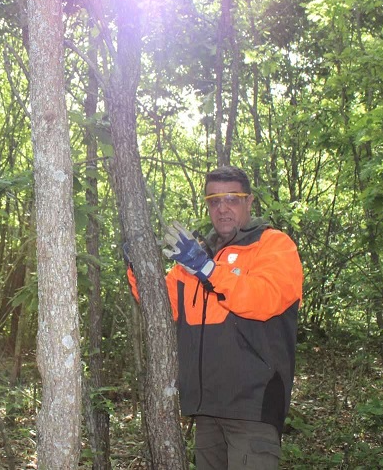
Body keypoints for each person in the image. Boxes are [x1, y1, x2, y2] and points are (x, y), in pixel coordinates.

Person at [127, 165, 303, 469]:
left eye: (232, 199)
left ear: (249, 202)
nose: (222, 208)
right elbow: (161, 306)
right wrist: (136, 268)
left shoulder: (274, 245)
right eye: (214, 200)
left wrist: (208, 270)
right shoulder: (194, 257)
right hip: (207, 408)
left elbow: (263, 299)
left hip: (252, 406)